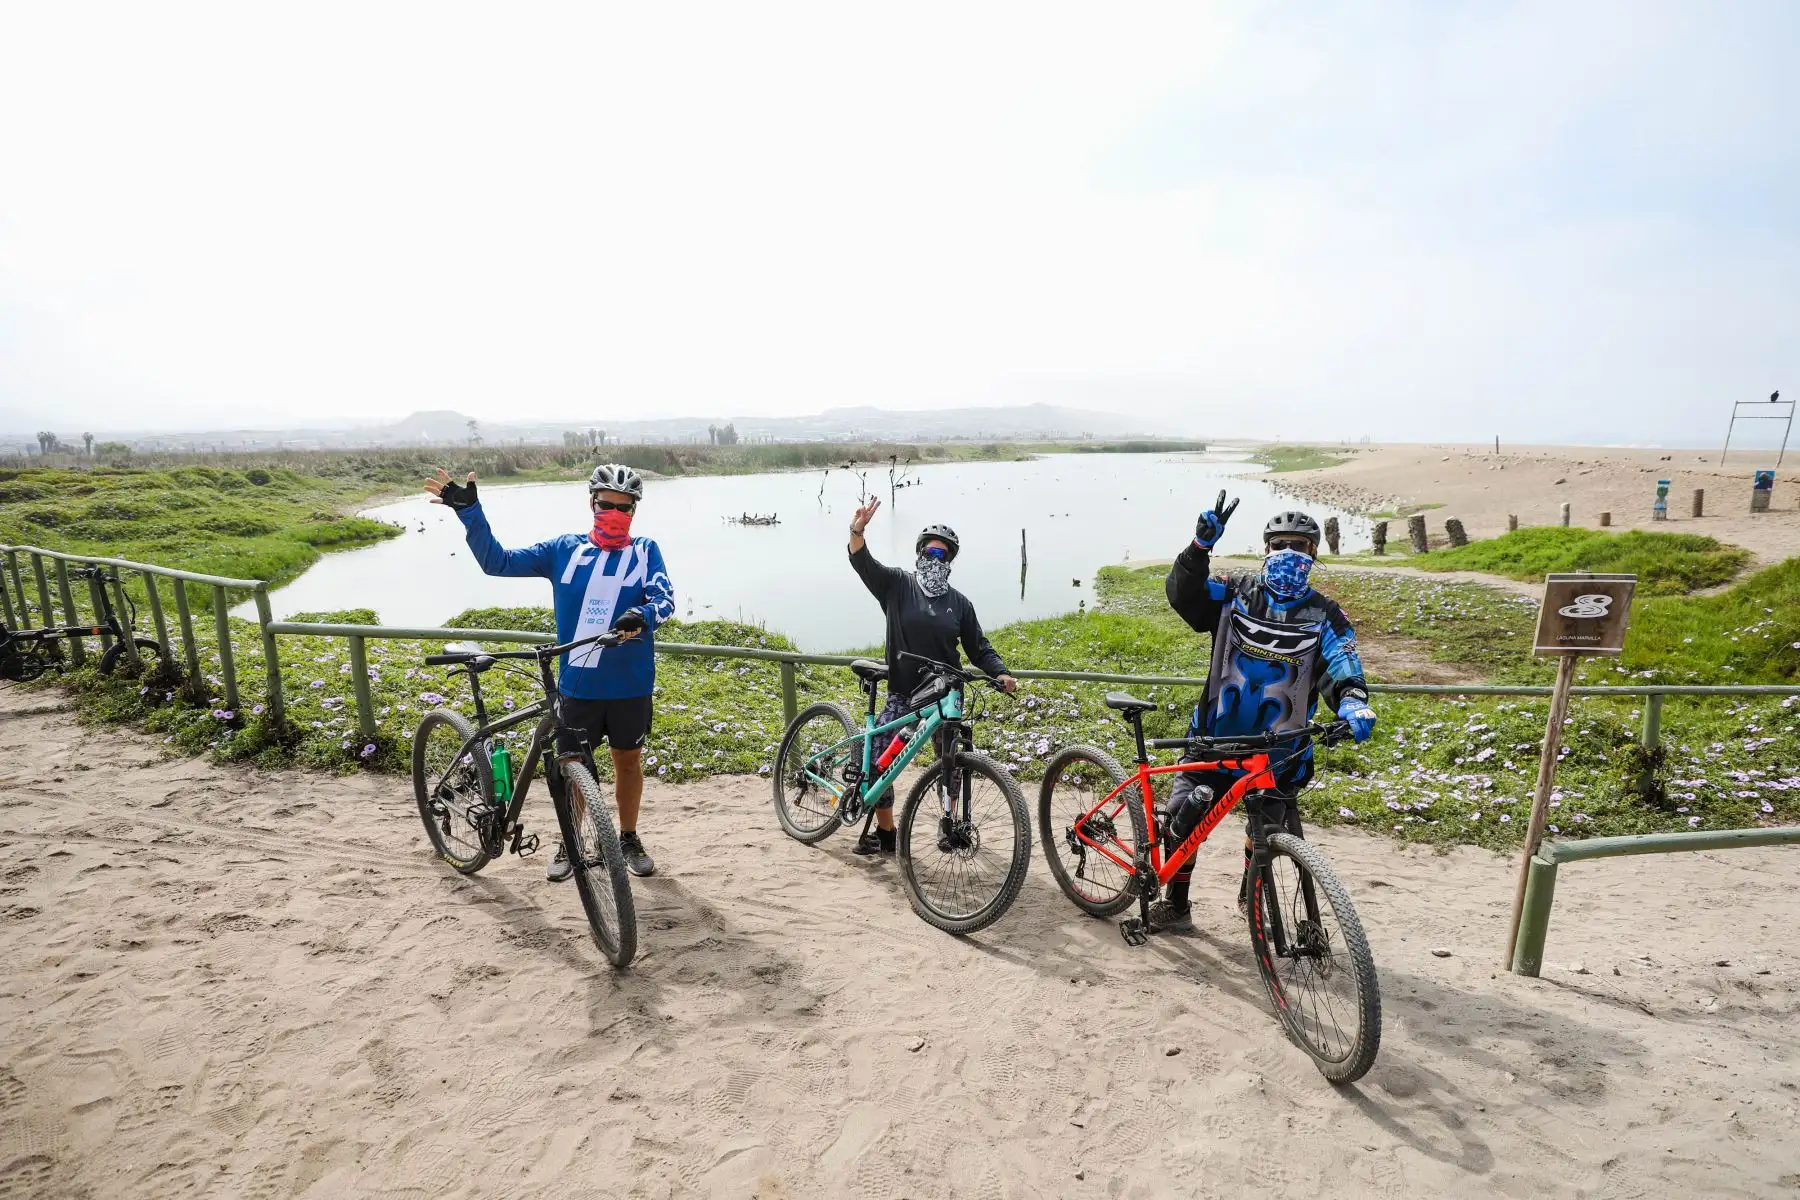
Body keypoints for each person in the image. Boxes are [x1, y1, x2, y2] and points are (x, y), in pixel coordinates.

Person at [424, 463, 674, 880]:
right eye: (606, 504)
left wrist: (642, 614)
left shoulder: (645, 551)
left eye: (624, 508)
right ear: (591, 503)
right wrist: (469, 512)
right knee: (574, 770)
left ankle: (628, 837)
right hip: (578, 685)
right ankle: (570, 840)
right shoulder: (563, 550)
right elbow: (497, 562)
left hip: (630, 684)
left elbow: (665, 599)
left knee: (628, 762)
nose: (614, 512)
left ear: (635, 511)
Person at [1155, 493, 1376, 926]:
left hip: (1280, 750)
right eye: (1280, 544)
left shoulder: (1326, 614)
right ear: (1266, 549)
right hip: (1213, 737)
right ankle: (1176, 904)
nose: (1289, 554)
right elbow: (1184, 597)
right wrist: (1198, 550)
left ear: (1315, 553)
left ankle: (1250, 897)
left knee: (1267, 835)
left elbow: (1343, 662)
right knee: (1182, 823)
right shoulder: (1233, 592)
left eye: (1300, 545)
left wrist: (1353, 701)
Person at [845, 497, 1018, 857]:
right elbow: (864, 564)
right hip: (904, 693)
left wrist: (1000, 672)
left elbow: (978, 647)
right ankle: (886, 831)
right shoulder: (897, 586)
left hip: (944, 695)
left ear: (950, 560)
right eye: (930, 553)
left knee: (953, 762)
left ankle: (949, 824)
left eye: (943, 555)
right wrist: (857, 530)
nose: (935, 561)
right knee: (880, 758)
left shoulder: (960, 603)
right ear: (920, 553)